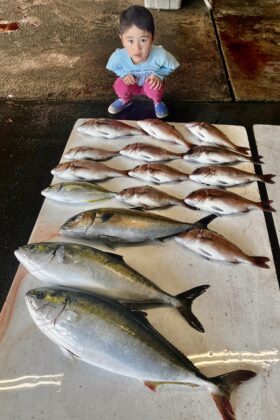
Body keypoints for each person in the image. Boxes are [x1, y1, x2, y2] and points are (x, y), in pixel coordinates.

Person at [106, 5, 179, 119]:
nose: (137, 48)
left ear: (153, 38)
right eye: (130, 40)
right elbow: (114, 67)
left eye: (143, 40)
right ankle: (125, 100)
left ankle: (157, 102)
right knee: (120, 84)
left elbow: (172, 65)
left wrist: (159, 75)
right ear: (122, 39)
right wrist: (124, 74)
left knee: (155, 86)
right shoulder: (118, 56)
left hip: (149, 85)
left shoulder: (160, 54)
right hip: (132, 84)